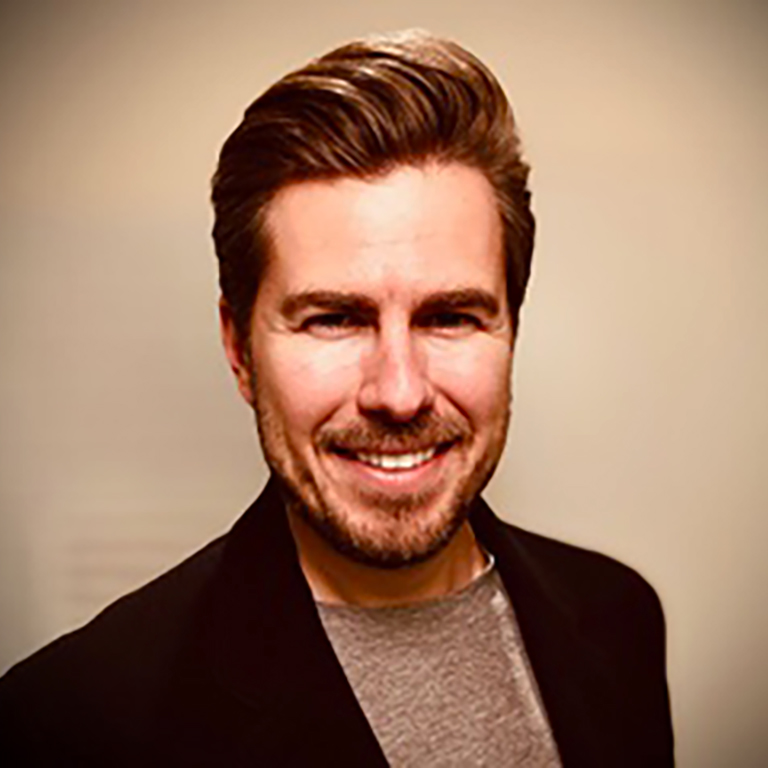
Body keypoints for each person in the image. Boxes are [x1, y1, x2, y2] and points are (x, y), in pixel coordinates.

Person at [0, 30, 674, 767]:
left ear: (511, 326)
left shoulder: (618, 616)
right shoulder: (72, 720)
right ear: (239, 348)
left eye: (450, 316)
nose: (400, 391)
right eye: (334, 318)